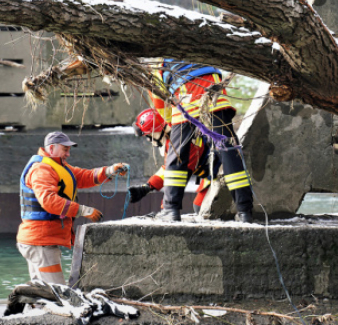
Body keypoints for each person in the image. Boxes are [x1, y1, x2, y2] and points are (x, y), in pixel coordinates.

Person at [145, 60, 254, 222]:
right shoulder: (197, 44)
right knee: (229, 152)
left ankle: (170, 209)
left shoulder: (157, 63)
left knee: (177, 157)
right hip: (216, 95)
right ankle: (245, 211)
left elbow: (159, 103)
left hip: (186, 99)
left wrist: (171, 125)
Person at [16, 131, 129, 284]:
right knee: (57, 292)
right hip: (40, 241)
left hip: (40, 239)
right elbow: (48, 201)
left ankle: (29, 305)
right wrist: (84, 210)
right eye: (65, 149)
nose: (68, 154)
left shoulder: (58, 167)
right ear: (51, 149)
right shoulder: (41, 169)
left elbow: (85, 176)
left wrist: (110, 171)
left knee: (43, 290)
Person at [128, 108, 220, 214]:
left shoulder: (180, 144)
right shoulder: (175, 137)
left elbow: (176, 178)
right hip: (210, 170)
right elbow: (169, 169)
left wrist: (166, 209)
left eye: (149, 135)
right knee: (199, 207)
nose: (148, 139)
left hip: (217, 171)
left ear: (159, 130)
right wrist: (148, 186)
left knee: (201, 208)